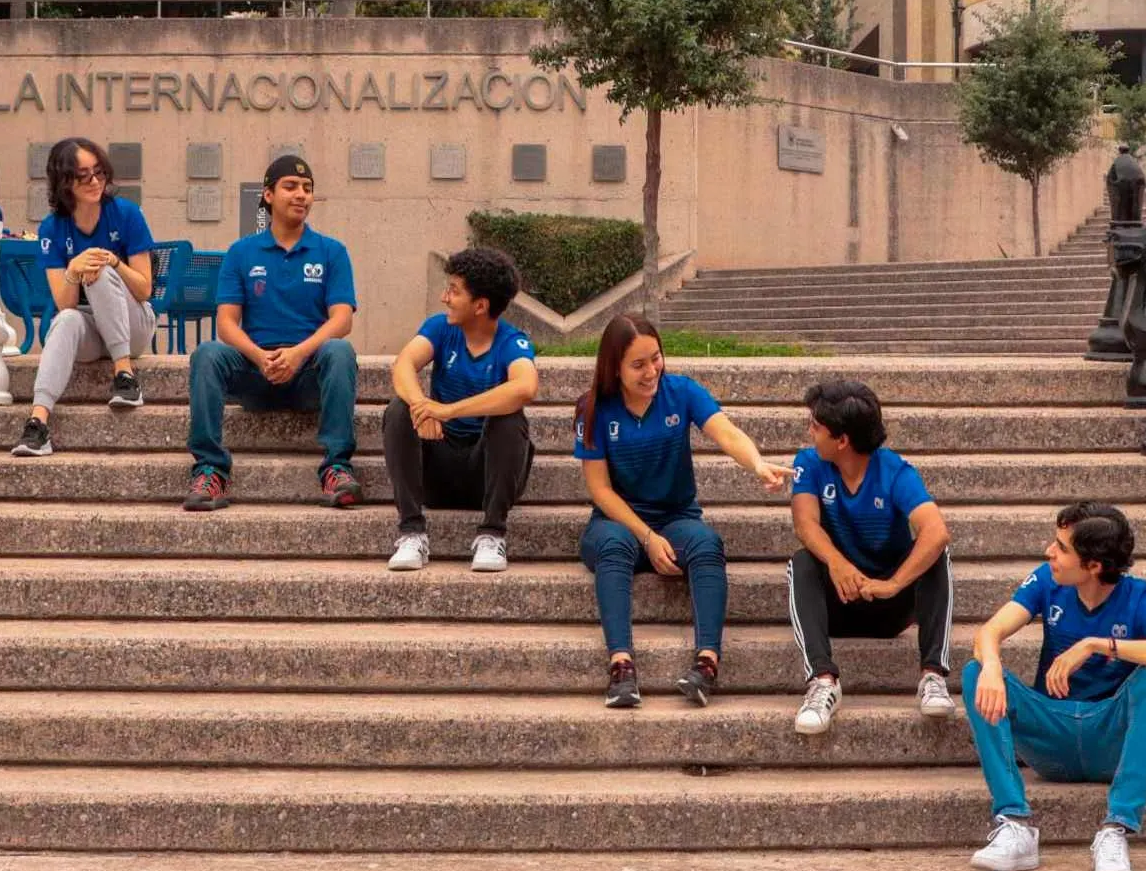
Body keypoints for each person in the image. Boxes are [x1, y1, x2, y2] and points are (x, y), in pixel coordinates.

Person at [962, 503, 1146, 871]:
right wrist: (991, 666)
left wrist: (1097, 645)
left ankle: (1116, 829)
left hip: (1109, 740)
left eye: (1062, 548)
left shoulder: (1139, 597)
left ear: (1092, 566)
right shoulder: (1046, 581)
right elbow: (988, 633)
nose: (1048, 553)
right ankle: (1015, 825)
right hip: (1051, 738)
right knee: (976, 671)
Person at [574, 314, 795, 709]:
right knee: (612, 547)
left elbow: (725, 432)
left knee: (707, 544)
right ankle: (621, 667)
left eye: (655, 358)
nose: (651, 371)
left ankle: (707, 663)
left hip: (676, 518)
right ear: (614, 367)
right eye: (638, 365)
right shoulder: (593, 409)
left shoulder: (681, 393)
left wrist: (757, 463)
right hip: (616, 522)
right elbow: (600, 490)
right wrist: (647, 536)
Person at [183, 155, 360, 510]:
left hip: (309, 373)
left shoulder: (332, 252)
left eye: (307, 189)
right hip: (256, 372)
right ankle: (210, 470)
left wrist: (298, 354)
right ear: (267, 194)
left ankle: (337, 466)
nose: (301, 195)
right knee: (207, 354)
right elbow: (227, 323)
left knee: (340, 350)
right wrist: (260, 357)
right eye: (291, 187)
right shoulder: (241, 252)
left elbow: (342, 319)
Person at [787, 380, 955, 733]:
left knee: (936, 553)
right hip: (838, 601)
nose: (809, 432)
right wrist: (837, 563)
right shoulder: (809, 463)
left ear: (842, 440)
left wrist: (892, 585)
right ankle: (822, 681)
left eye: (816, 426)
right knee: (801, 562)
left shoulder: (894, 471)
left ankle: (933, 676)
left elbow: (936, 530)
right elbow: (805, 524)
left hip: (887, 604)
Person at [384, 247, 539, 573]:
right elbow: (404, 365)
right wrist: (422, 408)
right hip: (437, 473)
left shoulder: (512, 342)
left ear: (480, 305)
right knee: (399, 409)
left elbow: (525, 386)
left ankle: (492, 534)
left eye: (454, 291)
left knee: (510, 417)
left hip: (487, 475)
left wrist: (448, 411)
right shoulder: (441, 329)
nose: (444, 298)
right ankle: (411, 532)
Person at [12, 138, 156, 457]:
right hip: (94, 331)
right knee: (65, 319)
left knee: (100, 269)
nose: (94, 182)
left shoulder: (127, 214)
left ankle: (125, 376)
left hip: (135, 326)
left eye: (99, 173)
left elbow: (145, 289)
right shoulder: (52, 228)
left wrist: (113, 262)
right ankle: (38, 422)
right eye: (83, 176)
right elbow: (65, 303)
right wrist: (73, 270)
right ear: (64, 182)